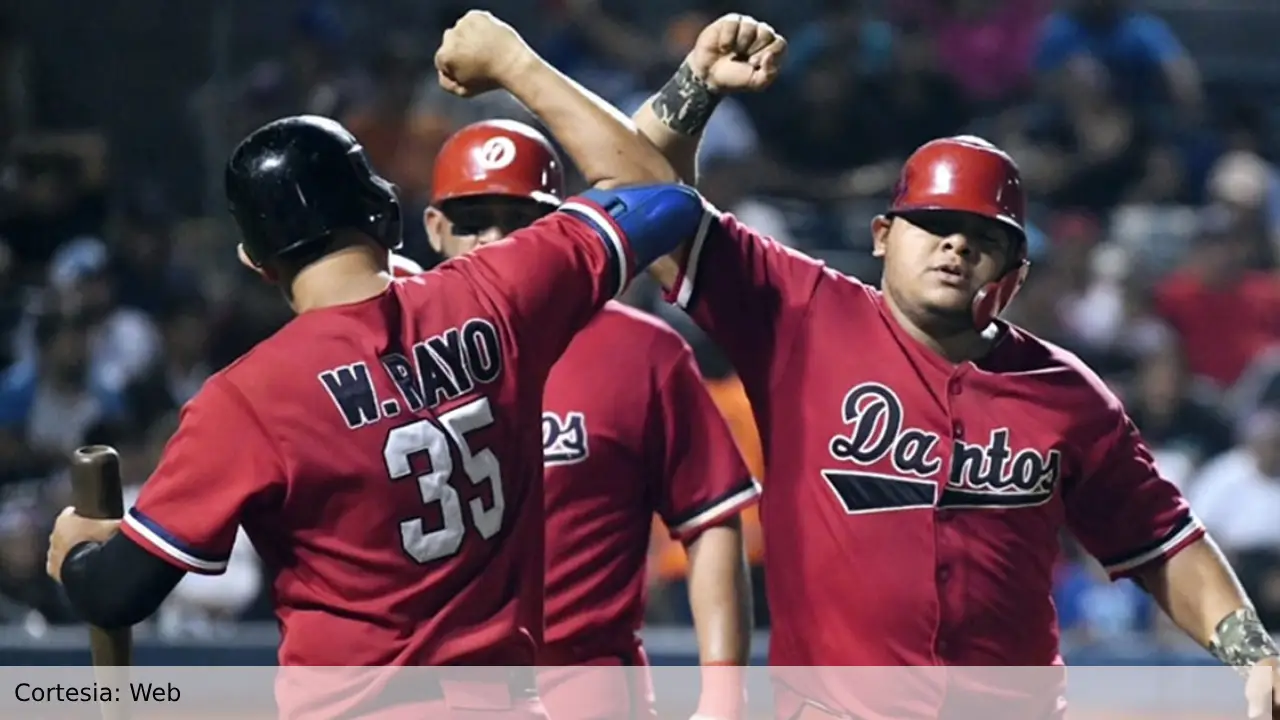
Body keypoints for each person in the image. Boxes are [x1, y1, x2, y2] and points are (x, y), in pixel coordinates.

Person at [44, 11, 707, 719]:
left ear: (255, 263)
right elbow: (664, 197)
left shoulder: (247, 398)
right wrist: (517, 66)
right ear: (387, 212)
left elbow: (119, 592)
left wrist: (78, 558)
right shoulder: (499, 292)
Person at [621, 12, 1280, 719]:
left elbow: (1162, 541)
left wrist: (1255, 653)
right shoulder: (801, 316)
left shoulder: (1066, 396)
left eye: (982, 237)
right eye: (934, 224)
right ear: (881, 235)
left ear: (1016, 273)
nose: (956, 247)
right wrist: (695, 85)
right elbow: (642, 191)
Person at [421, 117, 758, 719]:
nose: (495, 239)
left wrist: (724, 699)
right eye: (473, 221)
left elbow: (710, 521)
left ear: (560, 223)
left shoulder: (641, 352)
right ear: (435, 229)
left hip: (587, 688)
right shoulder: (387, 356)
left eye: (520, 220)